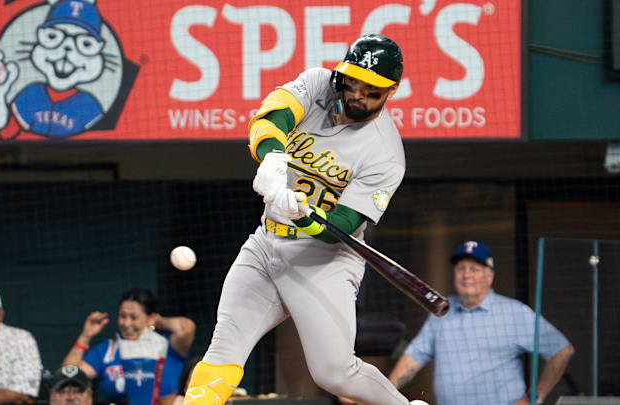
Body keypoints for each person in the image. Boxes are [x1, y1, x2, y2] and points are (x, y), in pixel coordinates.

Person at [182, 34, 423, 405]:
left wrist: (306, 216)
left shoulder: (386, 153)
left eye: (371, 89)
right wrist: (274, 159)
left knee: (334, 373)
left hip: (323, 260)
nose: (357, 94)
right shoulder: (316, 84)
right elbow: (270, 118)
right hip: (265, 246)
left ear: (391, 91)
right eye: (352, 81)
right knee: (224, 345)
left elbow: (342, 226)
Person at [388, 241, 575, 405]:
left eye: (473, 269)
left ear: (489, 276)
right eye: (461, 268)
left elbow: (561, 350)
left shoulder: (513, 312)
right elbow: (412, 359)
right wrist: (383, 395)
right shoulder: (442, 310)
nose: (465, 275)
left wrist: (537, 397)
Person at [62, 288, 195, 405]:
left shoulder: (166, 347)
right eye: (122, 316)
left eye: (133, 317)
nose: (126, 323)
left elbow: (186, 328)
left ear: (150, 317)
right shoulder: (107, 350)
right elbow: (68, 375)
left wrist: (156, 320)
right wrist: (85, 336)